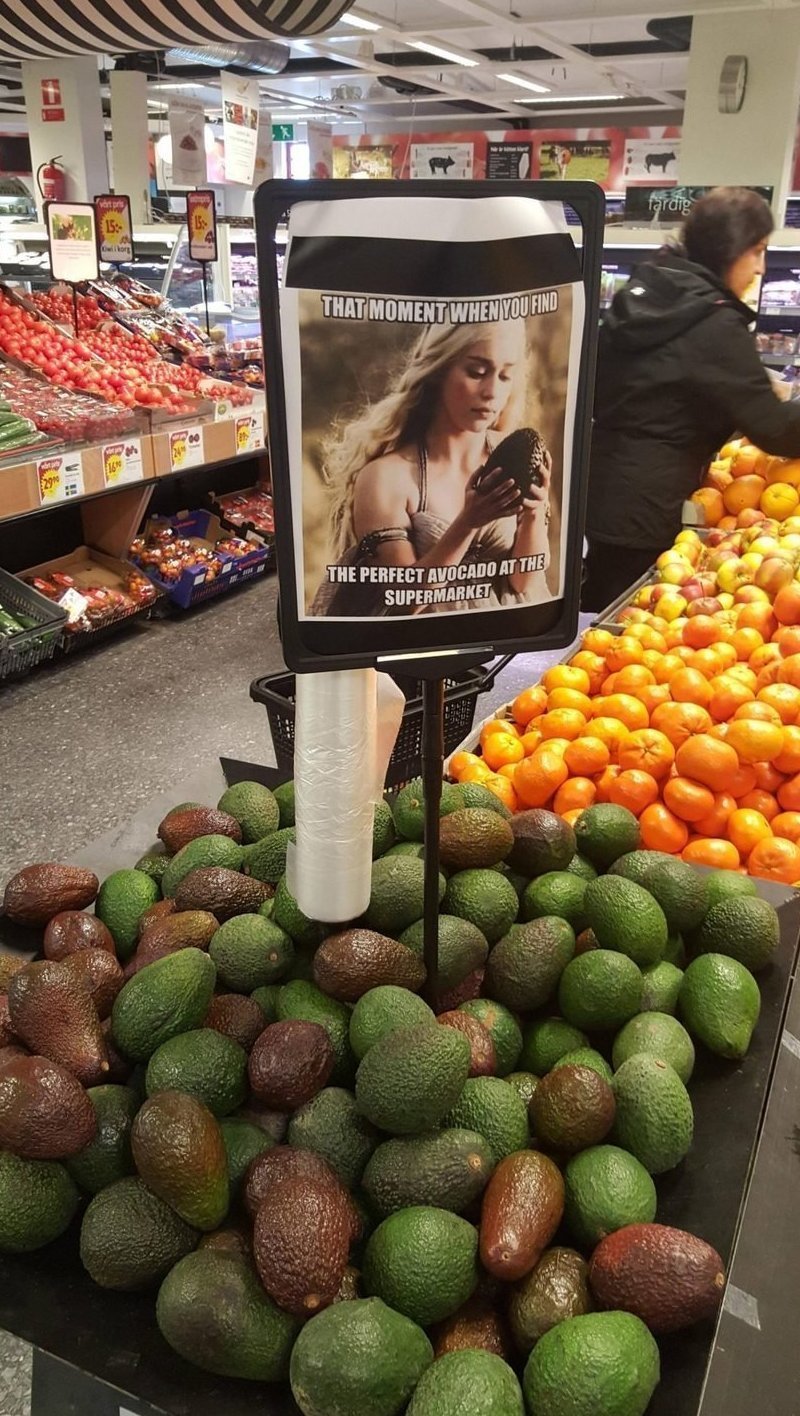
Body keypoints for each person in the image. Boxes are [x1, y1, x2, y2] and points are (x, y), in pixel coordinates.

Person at [582, 186, 800, 612]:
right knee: (633, 621)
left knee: (609, 603)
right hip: (651, 504)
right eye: (757, 251)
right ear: (730, 249)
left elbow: (644, 384)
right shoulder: (713, 321)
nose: (760, 267)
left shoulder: (648, 289)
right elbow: (774, 429)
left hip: (603, 486)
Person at [311, 320, 554, 616]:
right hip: (424, 641)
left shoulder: (514, 454)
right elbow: (404, 602)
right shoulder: (386, 477)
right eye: (476, 372)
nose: (492, 391)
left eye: (505, 376)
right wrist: (467, 523)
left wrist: (534, 514)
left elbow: (523, 583)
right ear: (439, 371)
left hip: (508, 634)